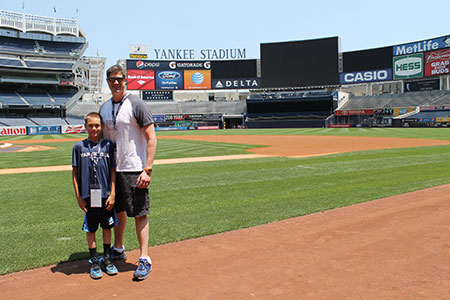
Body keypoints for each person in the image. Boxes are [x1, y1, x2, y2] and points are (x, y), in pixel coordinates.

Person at [99, 64, 157, 281]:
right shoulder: (104, 108)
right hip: (113, 170)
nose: (116, 83)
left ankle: (144, 258)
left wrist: (148, 169)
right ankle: (119, 247)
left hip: (135, 168)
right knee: (118, 212)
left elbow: (151, 137)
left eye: (119, 79)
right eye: (112, 79)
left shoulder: (136, 103)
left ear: (125, 81)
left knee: (140, 212)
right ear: (107, 82)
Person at [72, 112, 118, 279]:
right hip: (88, 195)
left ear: (102, 127)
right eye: (90, 125)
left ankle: (106, 258)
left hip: (105, 194)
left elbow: (113, 172)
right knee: (91, 228)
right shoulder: (78, 147)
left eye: (97, 125)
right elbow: (75, 173)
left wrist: (113, 193)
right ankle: (94, 261)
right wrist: (78, 196)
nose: (94, 128)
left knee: (107, 226)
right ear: (85, 127)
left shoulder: (108, 146)